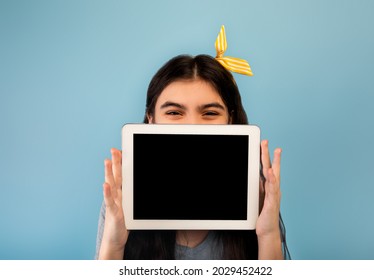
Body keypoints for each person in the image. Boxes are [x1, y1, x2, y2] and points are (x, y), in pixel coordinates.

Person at [95, 26, 290, 260]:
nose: (192, 126)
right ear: (151, 119)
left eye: (209, 113)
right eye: (175, 113)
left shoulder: (256, 191)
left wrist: (267, 234)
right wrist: (114, 244)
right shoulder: (123, 194)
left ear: (231, 119)